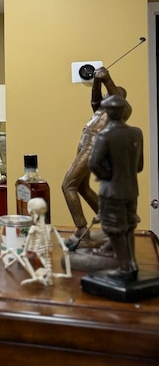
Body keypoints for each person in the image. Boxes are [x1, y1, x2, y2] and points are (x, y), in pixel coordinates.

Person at [62, 67, 131, 247]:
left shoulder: (122, 110)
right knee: (82, 187)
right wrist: (97, 82)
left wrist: (108, 79)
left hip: (94, 143)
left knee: (68, 184)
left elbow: (116, 97)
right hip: (84, 142)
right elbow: (94, 99)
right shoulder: (101, 109)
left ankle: (81, 229)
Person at [88, 94, 143, 281]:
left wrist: (107, 176)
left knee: (114, 229)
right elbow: (139, 166)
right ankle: (132, 264)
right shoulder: (136, 133)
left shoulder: (105, 135)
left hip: (112, 191)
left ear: (108, 112)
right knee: (129, 227)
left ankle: (124, 268)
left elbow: (94, 163)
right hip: (131, 190)